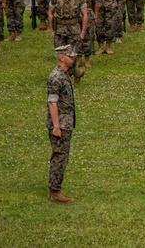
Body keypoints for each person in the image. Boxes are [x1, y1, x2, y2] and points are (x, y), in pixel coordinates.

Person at [46, 44, 78, 203]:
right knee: (59, 156)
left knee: (61, 156)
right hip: (60, 124)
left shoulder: (64, 74)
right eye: (70, 56)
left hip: (65, 123)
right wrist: (57, 126)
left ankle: (55, 188)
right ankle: (54, 192)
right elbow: (52, 103)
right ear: (62, 58)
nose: (73, 58)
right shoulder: (56, 77)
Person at [48, 0, 88, 83]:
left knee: (72, 55)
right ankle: (70, 74)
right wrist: (52, 30)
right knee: (60, 54)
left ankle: (72, 74)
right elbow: (50, 13)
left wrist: (83, 31)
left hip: (74, 30)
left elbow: (85, 15)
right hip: (60, 30)